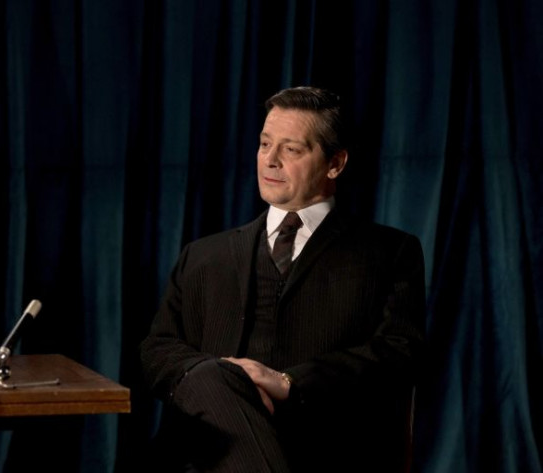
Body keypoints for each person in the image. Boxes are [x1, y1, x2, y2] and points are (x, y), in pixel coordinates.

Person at [139, 86, 426, 472]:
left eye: (291, 149)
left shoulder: (390, 252)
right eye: (264, 144)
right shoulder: (203, 255)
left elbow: (399, 355)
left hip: (326, 449)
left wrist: (289, 382)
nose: (270, 160)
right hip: (208, 452)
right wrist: (226, 385)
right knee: (211, 374)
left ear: (335, 164)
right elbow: (158, 350)